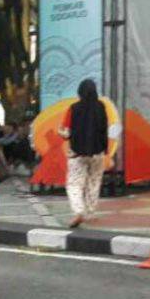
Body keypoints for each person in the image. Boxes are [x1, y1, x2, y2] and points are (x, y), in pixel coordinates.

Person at [58, 79, 109, 228]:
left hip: (77, 153)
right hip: (97, 152)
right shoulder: (101, 107)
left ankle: (78, 211)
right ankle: (90, 211)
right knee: (94, 181)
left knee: (74, 183)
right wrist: (105, 150)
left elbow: (66, 132)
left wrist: (60, 131)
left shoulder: (74, 108)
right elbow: (104, 130)